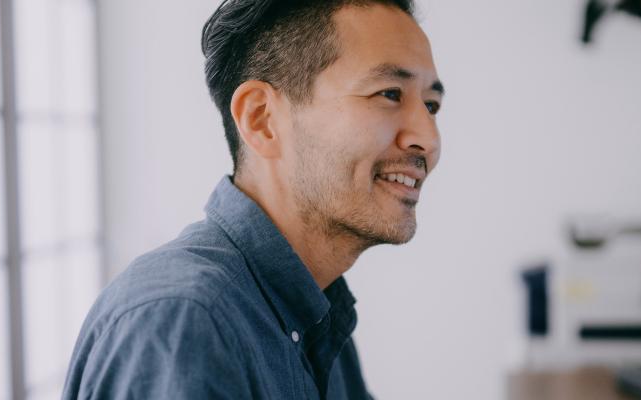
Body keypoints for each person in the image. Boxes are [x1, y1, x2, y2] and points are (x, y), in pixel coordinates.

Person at [61, 0, 444, 398]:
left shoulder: (321, 318)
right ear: (262, 119)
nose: (429, 139)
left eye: (431, 105)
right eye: (389, 94)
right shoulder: (184, 322)